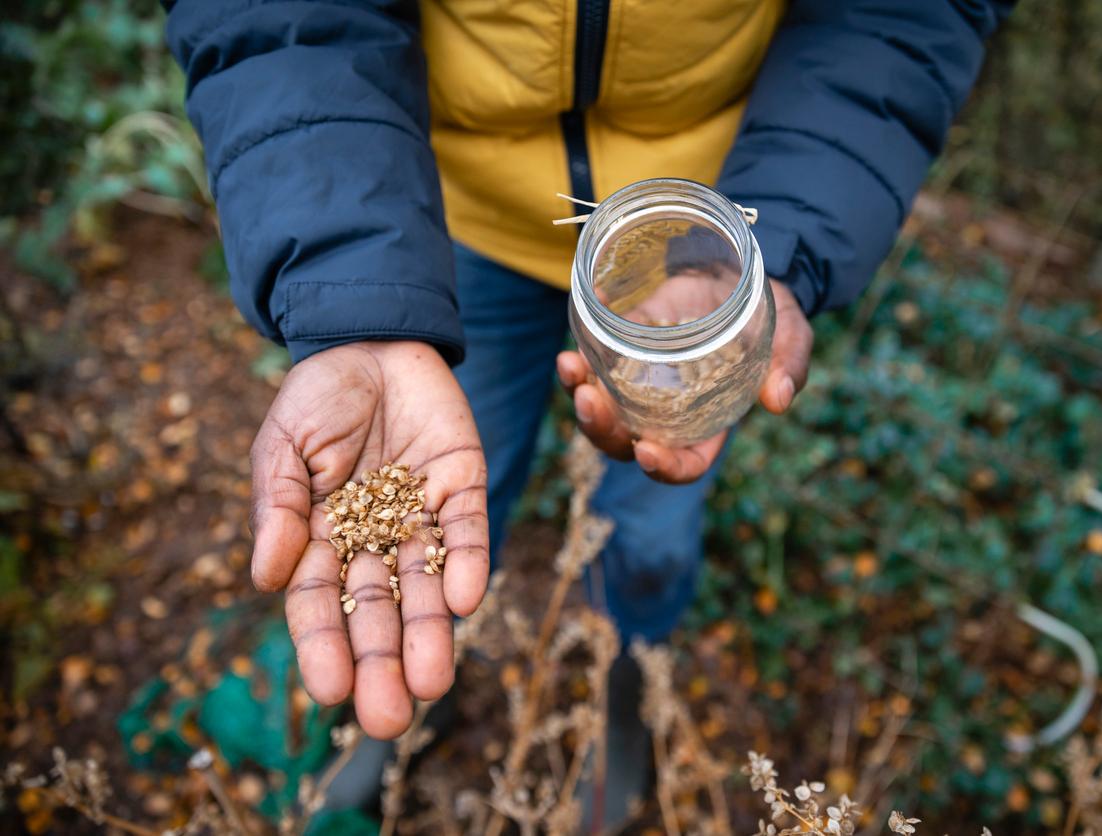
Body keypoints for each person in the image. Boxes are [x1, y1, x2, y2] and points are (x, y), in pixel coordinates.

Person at [163, 0, 1012, 821]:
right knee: (444, 493)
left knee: (651, 528)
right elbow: (282, 16)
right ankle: (419, 698)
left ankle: (622, 698)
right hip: (451, 214)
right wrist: (357, 298)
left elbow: (898, 16)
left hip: (696, 239)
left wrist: (780, 234)